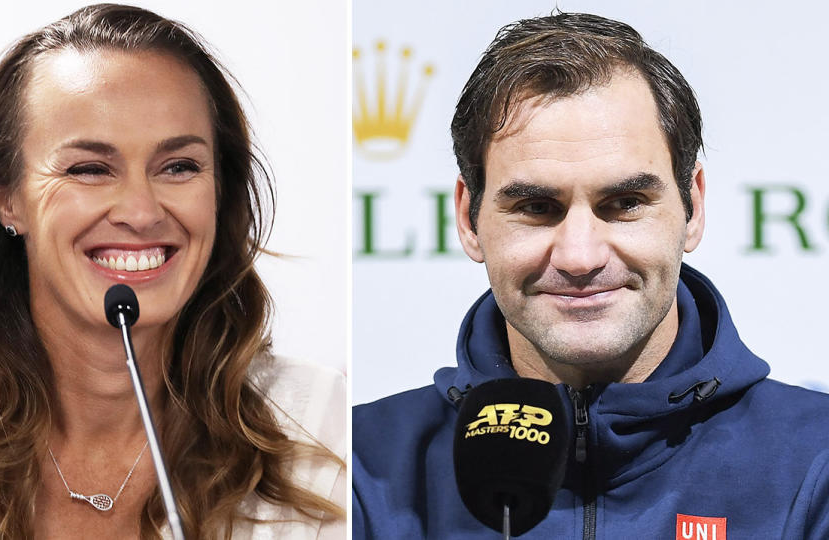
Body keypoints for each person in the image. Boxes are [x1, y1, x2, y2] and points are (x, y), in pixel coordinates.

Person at [0, 4, 345, 539]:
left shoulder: (323, 423)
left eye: (178, 167)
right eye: (90, 169)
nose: (141, 212)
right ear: (8, 200)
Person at [353, 12, 829, 539]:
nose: (580, 257)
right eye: (536, 206)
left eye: (625, 203)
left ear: (692, 205)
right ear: (469, 219)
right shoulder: (355, 469)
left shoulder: (818, 458)